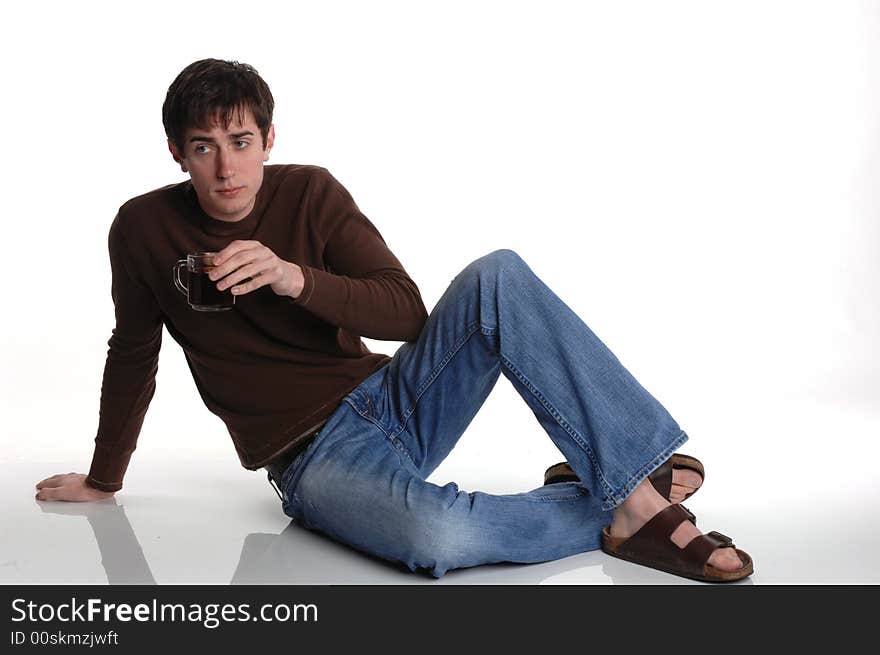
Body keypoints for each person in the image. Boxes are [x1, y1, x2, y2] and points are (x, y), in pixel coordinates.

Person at [35, 58, 752, 583]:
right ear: (177, 153)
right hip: (314, 458)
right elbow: (132, 351)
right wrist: (105, 477)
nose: (227, 167)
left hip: (395, 401)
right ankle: (625, 491)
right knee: (436, 534)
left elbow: (406, 312)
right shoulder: (142, 228)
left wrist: (293, 277)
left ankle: (629, 481)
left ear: (269, 137)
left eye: (242, 140)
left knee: (497, 274)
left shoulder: (311, 192)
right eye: (204, 147)